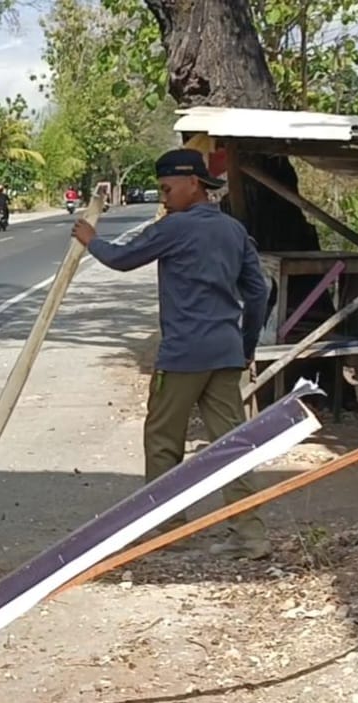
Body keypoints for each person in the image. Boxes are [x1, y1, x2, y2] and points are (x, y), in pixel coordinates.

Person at [71, 149, 272, 560]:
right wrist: (246, 344)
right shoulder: (234, 231)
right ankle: (251, 536)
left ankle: (168, 531)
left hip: (182, 355)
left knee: (163, 442)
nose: (163, 198)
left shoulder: (175, 228)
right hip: (225, 353)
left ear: (193, 183)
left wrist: (91, 240)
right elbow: (259, 292)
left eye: (166, 189)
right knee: (232, 443)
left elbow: (123, 259)